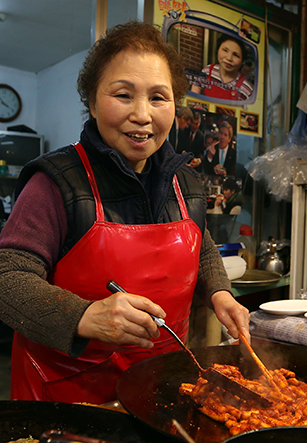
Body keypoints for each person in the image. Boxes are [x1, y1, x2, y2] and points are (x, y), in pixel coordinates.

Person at [0, 21, 250, 403]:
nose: (142, 115)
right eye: (123, 95)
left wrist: (220, 293)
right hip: (68, 399)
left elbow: (202, 249)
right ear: (92, 99)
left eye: (158, 98)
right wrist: (83, 316)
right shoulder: (55, 182)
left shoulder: (185, 182)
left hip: (163, 388)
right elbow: (7, 277)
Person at [190, 34, 254, 102]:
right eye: (225, 50)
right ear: (218, 49)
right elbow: (194, 94)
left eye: (236, 55)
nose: (229, 58)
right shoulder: (208, 71)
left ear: (242, 60)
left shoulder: (246, 89)